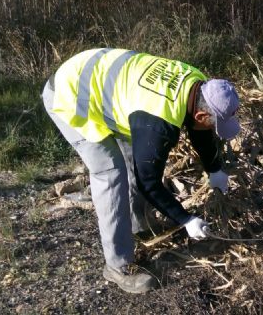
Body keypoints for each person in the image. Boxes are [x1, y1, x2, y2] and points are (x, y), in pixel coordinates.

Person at [41, 48, 240, 294]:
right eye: (215, 123)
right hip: (69, 93)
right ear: (200, 112)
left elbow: (200, 130)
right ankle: (117, 266)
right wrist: (185, 219)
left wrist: (214, 169)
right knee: (111, 172)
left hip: (106, 85)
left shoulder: (197, 81)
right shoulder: (159, 122)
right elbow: (149, 182)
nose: (213, 129)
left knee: (135, 159)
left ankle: (138, 226)